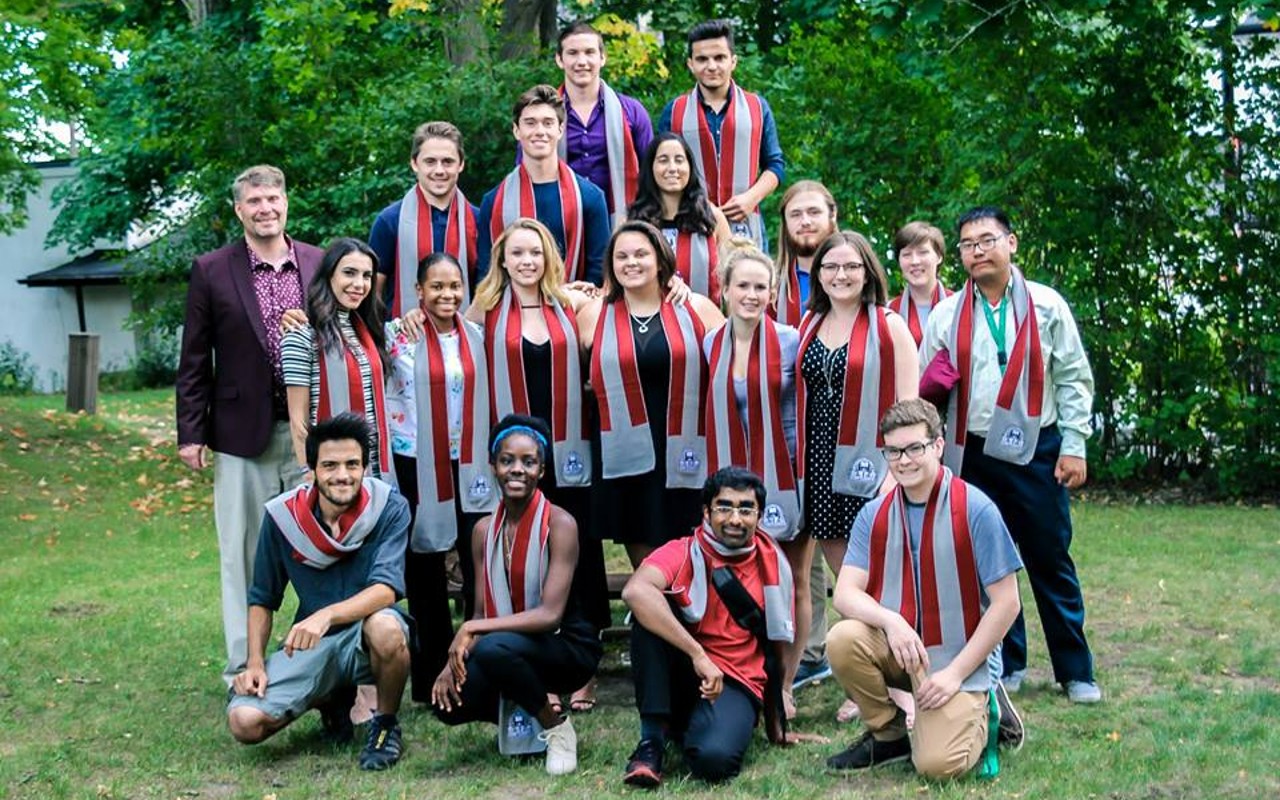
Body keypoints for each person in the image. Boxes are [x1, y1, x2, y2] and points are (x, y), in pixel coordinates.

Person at [921, 206, 1100, 703]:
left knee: (1048, 554)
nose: (977, 251)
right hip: (971, 451)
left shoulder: (1045, 305)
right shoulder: (947, 314)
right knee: (989, 563)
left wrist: (1074, 445)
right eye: (967, 244)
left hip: (1036, 448)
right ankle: (1009, 662)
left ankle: (1075, 670)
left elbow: (1073, 378)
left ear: (1011, 243)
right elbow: (926, 390)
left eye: (987, 240)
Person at [176, 164, 325, 686]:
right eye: (254, 201)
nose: (266, 208)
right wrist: (191, 433)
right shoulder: (213, 269)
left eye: (273, 198)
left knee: (317, 546)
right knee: (242, 551)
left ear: (287, 202)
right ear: (238, 210)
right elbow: (194, 358)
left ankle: (319, 660)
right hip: (242, 434)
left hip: (310, 433)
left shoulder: (317, 261)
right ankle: (244, 664)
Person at [825, 399, 1023, 777]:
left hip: (958, 655)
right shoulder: (875, 513)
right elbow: (847, 594)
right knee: (842, 638)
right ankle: (888, 734)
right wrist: (890, 621)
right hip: (904, 647)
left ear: (938, 445)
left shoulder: (976, 508)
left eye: (915, 448)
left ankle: (990, 703)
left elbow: (1007, 604)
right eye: (894, 451)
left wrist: (955, 674)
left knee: (937, 766)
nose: (904, 460)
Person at [468, 218, 607, 713]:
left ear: (550, 258)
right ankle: (533, 666)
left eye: (536, 252)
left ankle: (581, 668)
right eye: (517, 253)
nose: (527, 261)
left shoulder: (573, 306)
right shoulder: (482, 311)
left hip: (568, 453)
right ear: (502, 259)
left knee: (580, 553)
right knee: (522, 557)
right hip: (515, 459)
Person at [227, 413, 412, 771]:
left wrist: (326, 615)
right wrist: (253, 662)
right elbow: (262, 597)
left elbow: (386, 590)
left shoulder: (389, 507)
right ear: (310, 469)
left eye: (352, 464)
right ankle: (329, 697)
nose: (342, 475)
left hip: (365, 636)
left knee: (387, 627)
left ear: (364, 467)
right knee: (244, 722)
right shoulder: (283, 517)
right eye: (329, 465)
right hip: (314, 645)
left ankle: (385, 726)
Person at [431, 415, 604, 776]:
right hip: (511, 648)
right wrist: (452, 664)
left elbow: (550, 615)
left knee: (495, 647)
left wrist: (474, 631)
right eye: (508, 460)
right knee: (448, 704)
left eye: (529, 462)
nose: (517, 470)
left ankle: (557, 729)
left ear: (542, 470)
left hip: (567, 646)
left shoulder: (560, 523)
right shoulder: (482, 531)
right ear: (493, 466)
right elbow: (478, 611)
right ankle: (529, 710)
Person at [798, 231, 919, 721]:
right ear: (819, 275)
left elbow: (910, 410)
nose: (840, 275)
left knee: (885, 583)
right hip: (821, 468)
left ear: (867, 271)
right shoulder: (809, 323)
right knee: (848, 583)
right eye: (831, 267)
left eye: (850, 266)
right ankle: (864, 678)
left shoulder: (890, 327)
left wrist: (894, 477)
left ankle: (903, 684)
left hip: (874, 471)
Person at [620, 467, 795, 786]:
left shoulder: (773, 565)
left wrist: (777, 727)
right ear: (706, 511)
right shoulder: (682, 550)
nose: (735, 519)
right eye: (724, 507)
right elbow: (634, 591)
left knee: (714, 762)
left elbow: (774, 649)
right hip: (687, 669)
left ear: (759, 515)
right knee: (650, 611)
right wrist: (698, 654)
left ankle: (693, 726)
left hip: (737, 680)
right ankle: (651, 745)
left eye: (746, 509)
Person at [702, 242, 812, 717]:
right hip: (733, 477)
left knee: (793, 580)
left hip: (786, 472)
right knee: (741, 579)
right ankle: (743, 672)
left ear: (772, 292)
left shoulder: (791, 339)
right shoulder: (711, 342)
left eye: (760, 287)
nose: (751, 295)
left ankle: (784, 684)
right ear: (724, 290)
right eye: (741, 285)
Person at [577, 221, 725, 568]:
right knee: (640, 540)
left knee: (688, 538)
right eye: (622, 256)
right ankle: (652, 607)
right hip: (622, 445)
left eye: (641, 254)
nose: (632, 262)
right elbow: (579, 371)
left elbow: (730, 364)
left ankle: (684, 605)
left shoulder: (697, 308)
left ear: (660, 259)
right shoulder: (592, 314)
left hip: (684, 440)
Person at [384, 252, 496, 701]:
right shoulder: (398, 336)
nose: (447, 294)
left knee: (476, 562)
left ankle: (473, 666)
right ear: (418, 290)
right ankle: (430, 668)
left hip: (468, 459)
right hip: (416, 459)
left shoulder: (477, 336)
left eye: (454, 286)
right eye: (436, 286)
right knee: (425, 566)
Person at [658, 19, 784, 250]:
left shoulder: (757, 107)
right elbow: (659, 169)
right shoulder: (674, 111)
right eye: (702, 59)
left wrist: (751, 198)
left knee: (749, 283)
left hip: (746, 222)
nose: (711, 66)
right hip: (689, 222)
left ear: (733, 61)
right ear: (690, 64)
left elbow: (775, 165)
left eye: (719, 58)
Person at [281, 238, 395, 482]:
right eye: (349, 273)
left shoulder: (369, 334)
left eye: (367, 276)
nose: (359, 284)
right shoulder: (301, 335)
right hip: (331, 474)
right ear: (329, 274)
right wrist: (309, 474)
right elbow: (298, 421)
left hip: (376, 470)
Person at [477, 85, 611, 286]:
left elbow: (599, 275)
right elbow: (486, 275)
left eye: (548, 123)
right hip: (512, 313)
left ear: (560, 129)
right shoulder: (494, 202)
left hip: (575, 311)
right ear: (516, 130)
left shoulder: (590, 198)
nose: (539, 131)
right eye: (530, 123)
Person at [369, 121, 480, 317]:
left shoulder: (479, 221)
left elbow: (490, 289)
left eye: (447, 161)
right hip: (404, 340)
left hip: (468, 339)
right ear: (414, 163)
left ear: (461, 164)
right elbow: (373, 293)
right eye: (430, 161)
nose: (439, 170)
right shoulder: (389, 221)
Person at [551, 21, 653, 226]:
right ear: (559, 60)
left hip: (621, 221)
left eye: (589, 52)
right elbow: (525, 172)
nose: (582, 61)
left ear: (602, 58)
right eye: (572, 53)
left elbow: (652, 173)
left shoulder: (631, 112)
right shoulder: (544, 115)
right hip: (561, 221)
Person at [627, 132, 732, 302]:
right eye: (663, 160)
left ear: (690, 167)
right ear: (650, 168)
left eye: (679, 160)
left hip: (706, 319)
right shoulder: (631, 220)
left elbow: (734, 273)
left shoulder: (713, 218)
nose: (672, 168)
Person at [773, 180, 838, 327]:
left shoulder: (856, 277)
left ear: (832, 214)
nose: (805, 221)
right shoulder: (768, 286)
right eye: (796, 214)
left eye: (814, 212)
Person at [889, 221, 950, 346]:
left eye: (923, 252)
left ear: (939, 257)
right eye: (906, 254)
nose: (915, 261)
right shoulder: (889, 310)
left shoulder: (960, 305)